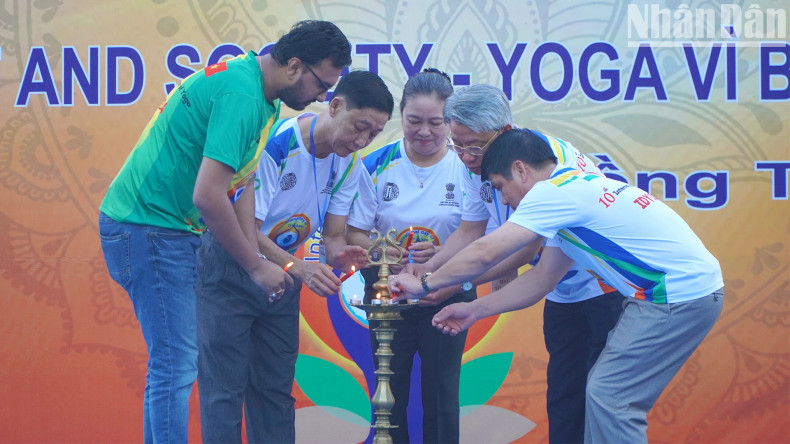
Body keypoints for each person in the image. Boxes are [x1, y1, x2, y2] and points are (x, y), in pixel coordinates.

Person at [98, 20, 352, 443]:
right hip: (147, 228)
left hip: (168, 230)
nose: (323, 98)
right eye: (322, 85)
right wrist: (255, 266)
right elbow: (209, 197)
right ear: (293, 66)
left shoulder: (261, 94)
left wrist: (259, 253)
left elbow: (242, 182)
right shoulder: (243, 95)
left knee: (177, 364)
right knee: (175, 365)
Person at [390, 129, 724, 444]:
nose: (504, 201)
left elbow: (486, 251)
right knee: (602, 394)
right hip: (678, 293)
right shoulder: (572, 193)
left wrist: (423, 283)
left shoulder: (553, 194)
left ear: (521, 170)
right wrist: (473, 310)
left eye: (500, 186)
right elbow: (541, 279)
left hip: (676, 295)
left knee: (611, 397)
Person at [401, 84, 624, 443]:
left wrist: (446, 283)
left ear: (504, 131)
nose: (466, 157)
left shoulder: (543, 163)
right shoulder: (475, 165)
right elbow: (470, 232)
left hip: (604, 284)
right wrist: (430, 271)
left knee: (603, 399)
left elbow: (522, 249)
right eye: (457, 145)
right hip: (560, 290)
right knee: (564, 396)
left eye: (474, 146)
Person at [195, 70, 394, 443]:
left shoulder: (349, 161)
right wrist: (297, 267)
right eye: (360, 127)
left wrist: (341, 256)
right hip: (231, 263)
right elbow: (246, 231)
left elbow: (333, 236)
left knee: (274, 390)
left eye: (374, 135)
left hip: (282, 274)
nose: (362, 140)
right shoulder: (277, 143)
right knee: (224, 391)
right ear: (335, 106)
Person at [346, 68, 473, 444]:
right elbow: (353, 232)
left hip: (447, 292)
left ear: (451, 122)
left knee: (442, 392)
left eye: (436, 122)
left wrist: (439, 257)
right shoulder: (375, 164)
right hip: (388, 293)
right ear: (399, 116)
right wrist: (380, 251)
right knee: (389, 392)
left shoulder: (468, 167)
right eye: (414, 121)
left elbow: (480, 234)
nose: (424, 132)